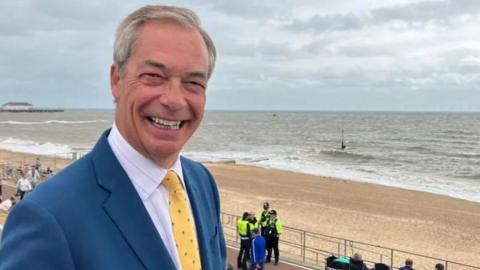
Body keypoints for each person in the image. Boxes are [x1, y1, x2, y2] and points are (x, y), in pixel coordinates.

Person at [0, 5, 225, 270]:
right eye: (153, 76)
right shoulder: (48, 216)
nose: (174, 100)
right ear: (117, 80)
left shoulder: (201, 182)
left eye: (193, 83)